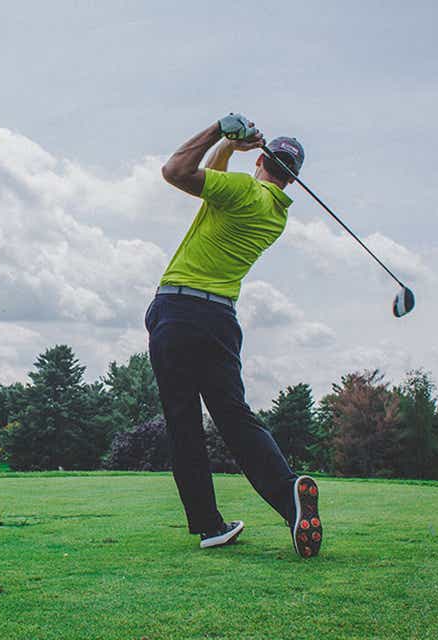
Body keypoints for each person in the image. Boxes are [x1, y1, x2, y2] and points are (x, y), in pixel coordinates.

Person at [146, 113, 322, 557]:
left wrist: (216, 130)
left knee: (184, 423)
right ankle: (288, 499)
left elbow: (176, 171)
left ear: (261, 160)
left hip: (179, 311)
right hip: (221, 321)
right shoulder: (274, 212)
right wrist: (230, 148)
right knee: (235, 418)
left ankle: (209, 525)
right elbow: (216, 181)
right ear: (293, 180)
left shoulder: (243, 191)